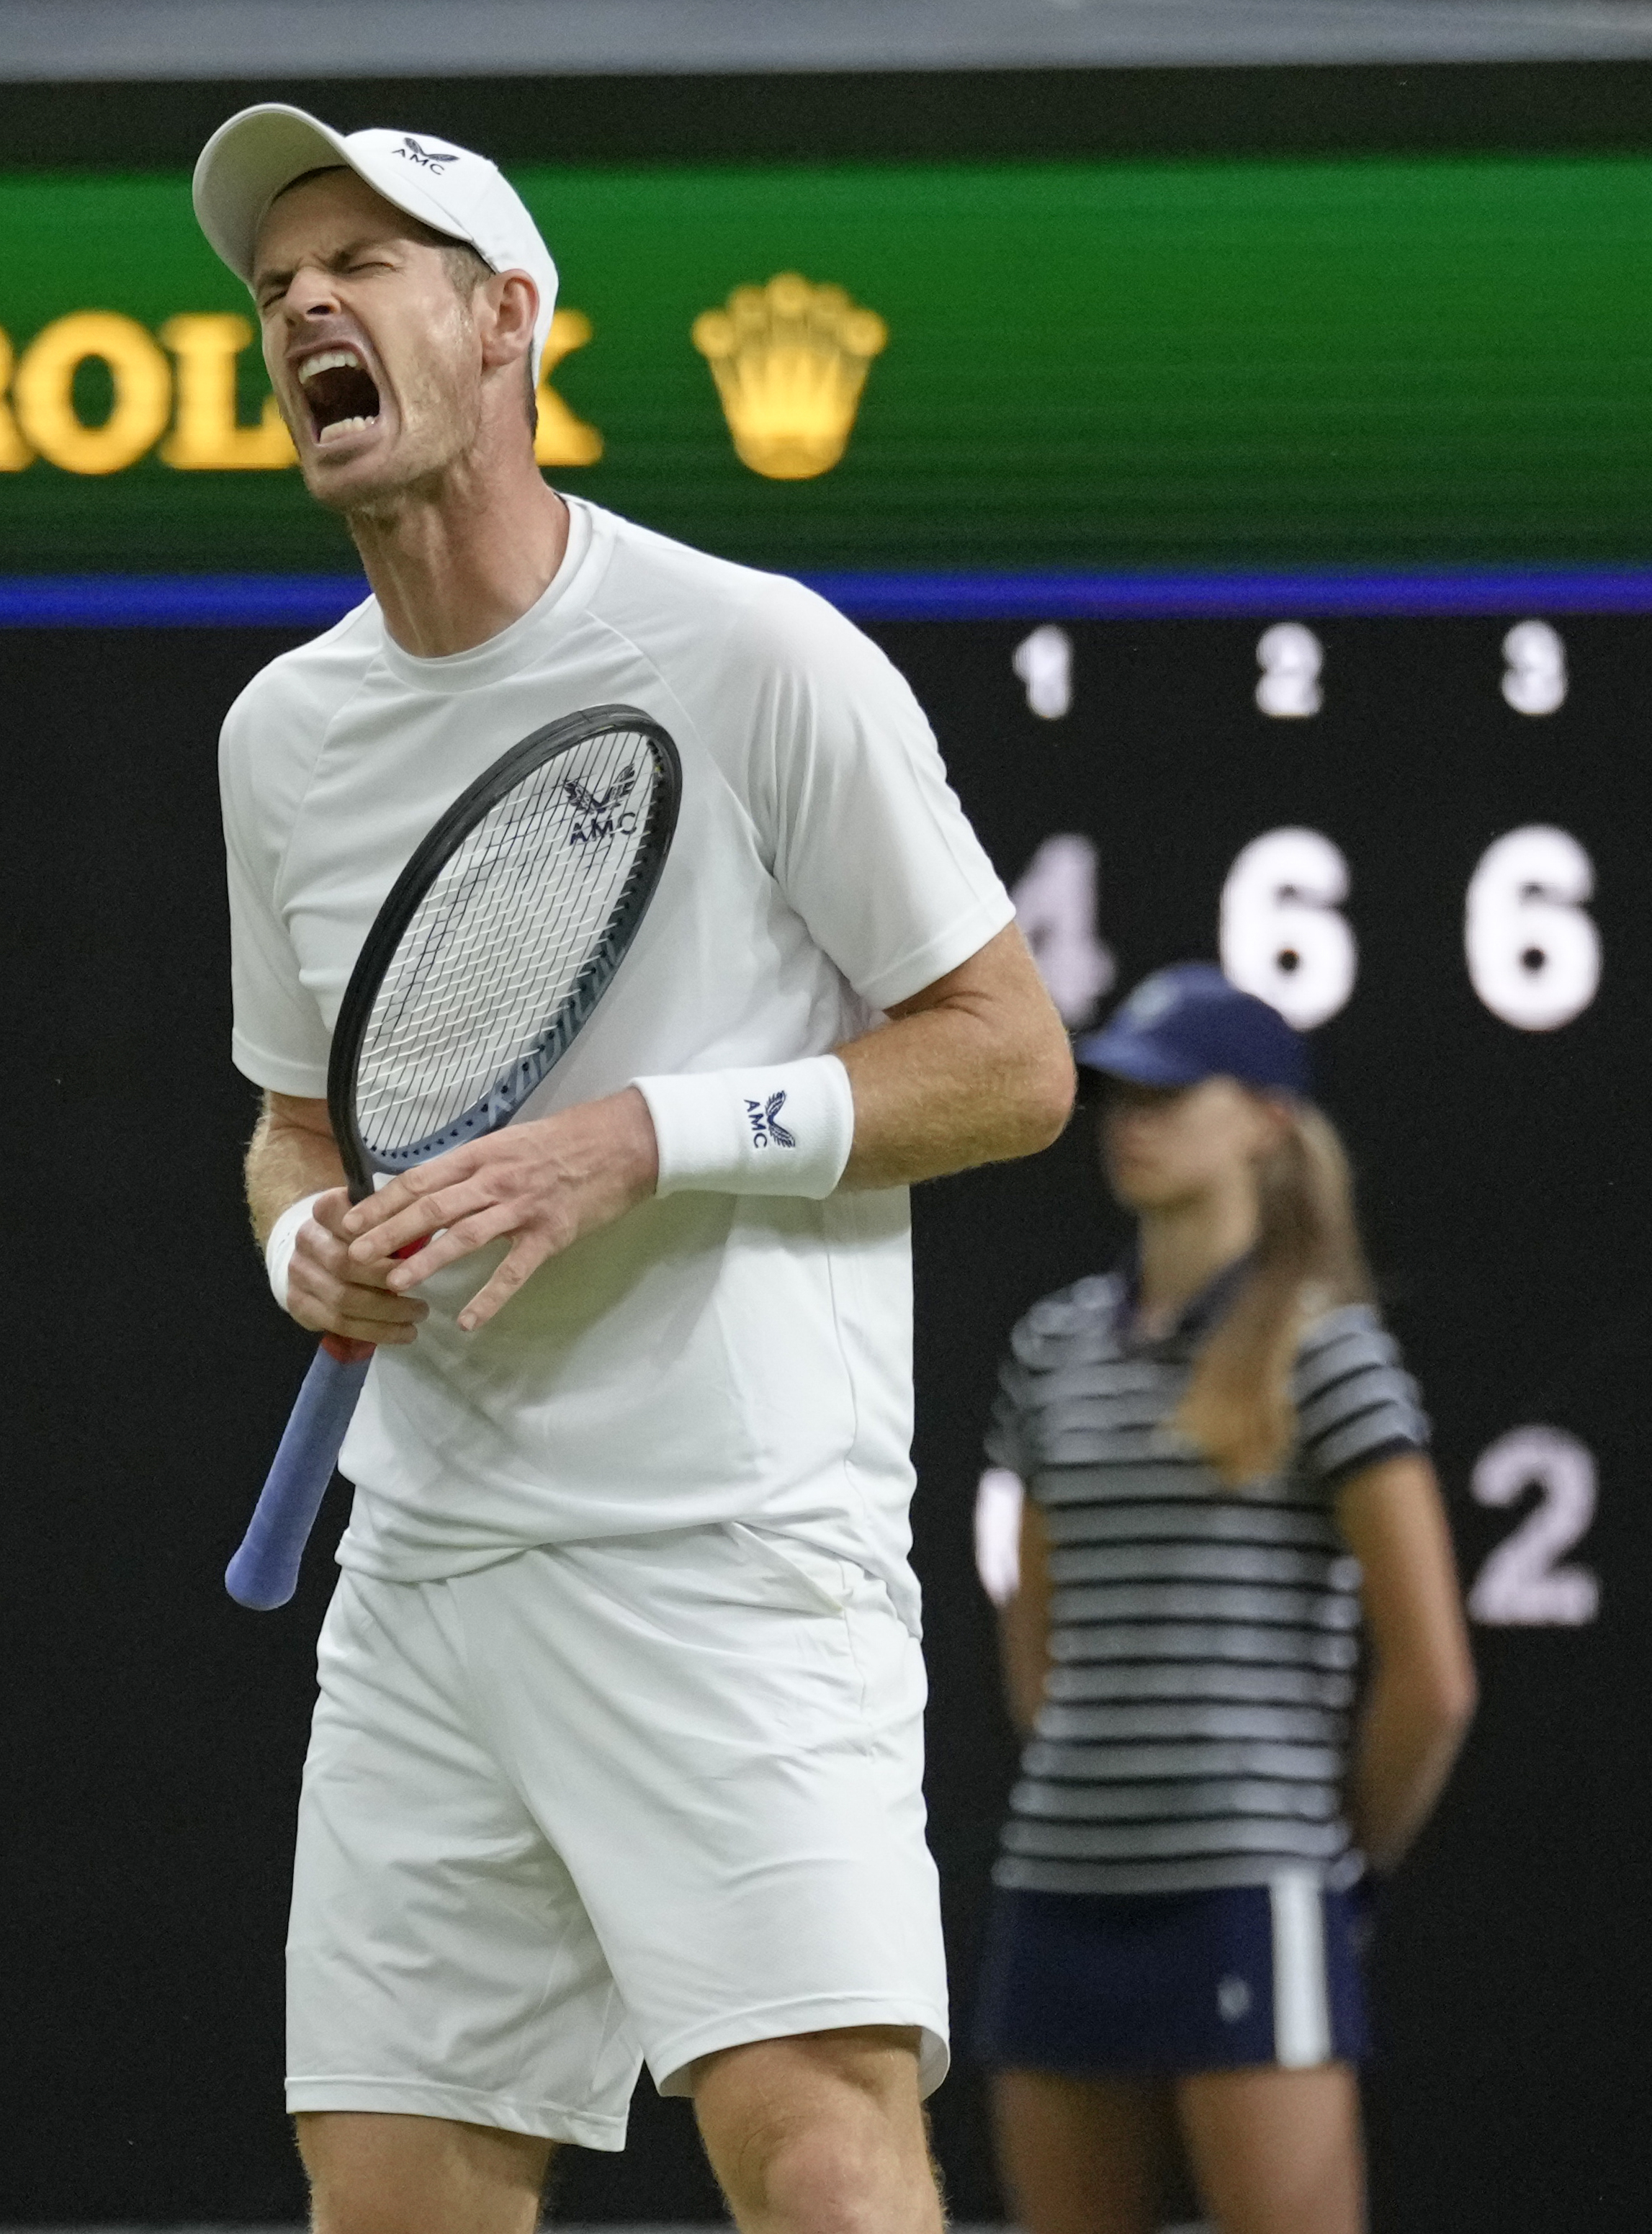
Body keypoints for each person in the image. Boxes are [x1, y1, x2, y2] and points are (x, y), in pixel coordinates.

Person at [197, 106, 1074, 2234]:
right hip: (429, 1573)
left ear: (505, 322)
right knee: (390, 2191)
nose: (302, 298)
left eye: (368, 261)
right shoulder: (279, 739)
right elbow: (293, 1123)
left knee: (819, 2161)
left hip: (732, 1550)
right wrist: (306, 1242)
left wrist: (646, 1138)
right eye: (273, 280)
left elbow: (1010, 1059)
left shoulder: (753, 654)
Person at [979, 964, 1477, 2234]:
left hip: (1253, 1892)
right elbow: (1036, 1633)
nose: (1128, 1118)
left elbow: (1433, 1674)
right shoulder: (1051, 1347)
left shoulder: (1329, 1348)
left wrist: (1321, 1849)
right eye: (1118, 1093)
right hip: (1061, 1883)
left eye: (1167, 1090)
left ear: (1264, 1118)